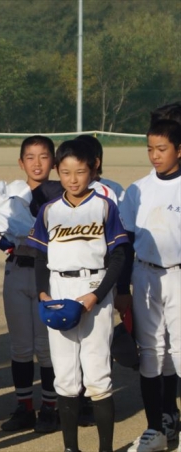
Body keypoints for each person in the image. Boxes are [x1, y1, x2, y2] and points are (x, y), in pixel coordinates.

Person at [27, 139, 129, 452]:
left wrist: (98, 295)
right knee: (65, 376)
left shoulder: (104, 206)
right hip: (59, 287)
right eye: (66, 172)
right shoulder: (49, 210)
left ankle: (105, 449)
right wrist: (42, 293)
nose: (73, 179)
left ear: (92, 171)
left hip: (94, 286)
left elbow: (119, 256)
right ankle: (71, 448)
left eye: (80, 172)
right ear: (58, 171)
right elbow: (40, 257)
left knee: (97, 374)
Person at [0, 136, 59, 434]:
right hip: (17, 269)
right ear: (21, 162)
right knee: (20, 346)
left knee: (46, 346)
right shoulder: (10, 195)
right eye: (30, 157)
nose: (37, 163)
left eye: (44, 156)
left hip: (49, 274)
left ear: (54, 161)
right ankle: (24, 407)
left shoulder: (61, 194)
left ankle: (51, 408)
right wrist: (4, 244)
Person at [118, 119, 181, 452]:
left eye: (162, 149)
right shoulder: (137, 190)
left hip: (179, 276)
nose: (154, 155)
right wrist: (122, 290)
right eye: (150, 149)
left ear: (179, 150)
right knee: (151, 353)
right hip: (144, 275)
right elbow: (126, 243)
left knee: (180, 352)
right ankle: (155, 429)